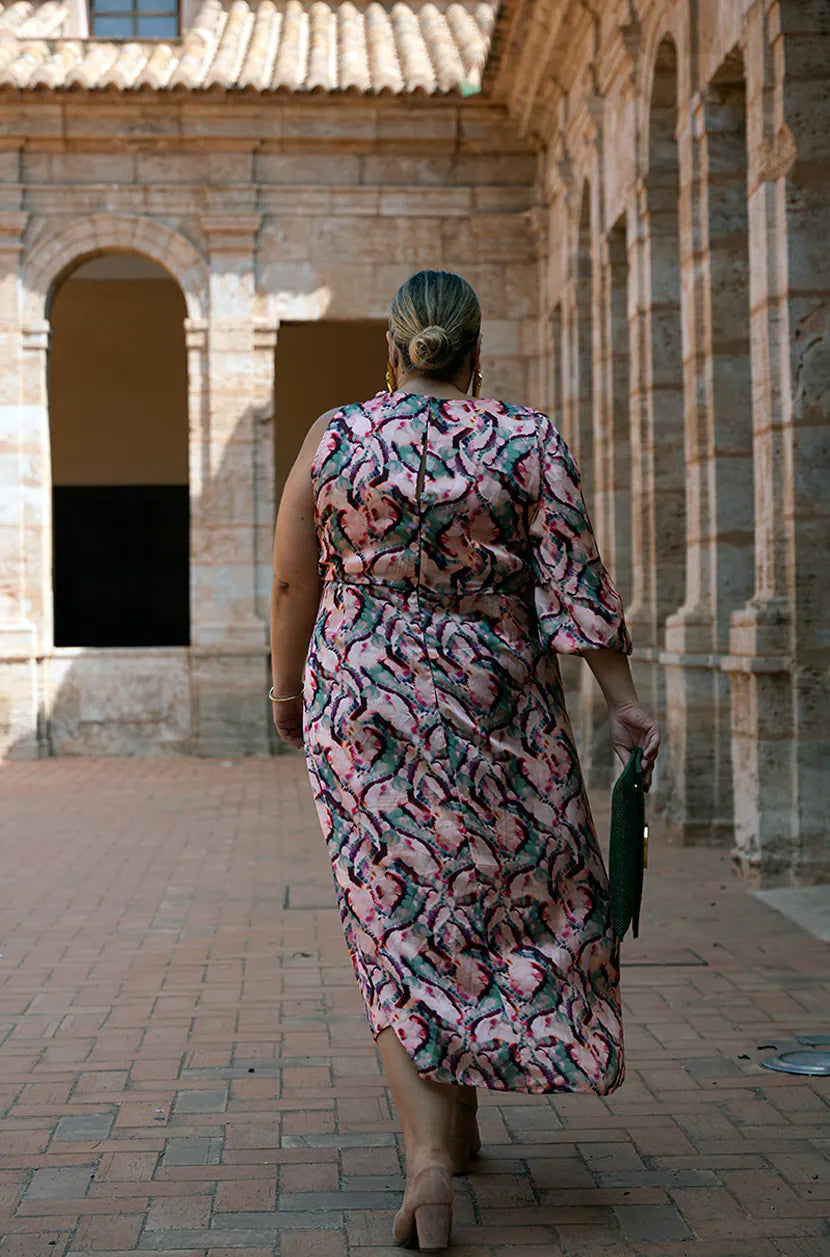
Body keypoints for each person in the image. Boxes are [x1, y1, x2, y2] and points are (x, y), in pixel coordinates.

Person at [269, 269, 660, 1251]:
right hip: (498, 713)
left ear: (389, 352)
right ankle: (462, 1112)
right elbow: (574, 587)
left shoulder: (336, 438)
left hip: (364, 717)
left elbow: (290, 580)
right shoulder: (523, 438)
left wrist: (286, 695)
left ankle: (431, 1157)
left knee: (396, 913)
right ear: (474, 353)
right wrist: (624, 706)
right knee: (507, 902)